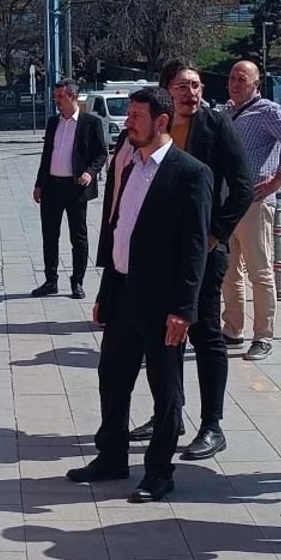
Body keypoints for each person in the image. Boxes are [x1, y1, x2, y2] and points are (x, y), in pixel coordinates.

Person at [65, 87, 213, 504]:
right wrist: (106, 290)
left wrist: (184, 308)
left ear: (161, 121)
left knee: (164, 388)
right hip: (124, 293)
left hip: (164, 302)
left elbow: (195, 248)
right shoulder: (131, 167)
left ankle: (159, 472)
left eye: (135, 115)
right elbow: (119, 233)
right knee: (112, 377)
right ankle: (111, 456)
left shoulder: (190, 173)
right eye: (128, 114)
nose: (128, 122)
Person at [124, 61, 253, 461]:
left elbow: (243, 187)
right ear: (167, 92)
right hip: (158, 256)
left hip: (204, 253)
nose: (191, 93)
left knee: (206, 334)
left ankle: (212, 424)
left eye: (196, 86)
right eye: (182, 86)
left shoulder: (216, 126)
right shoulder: (152, 131)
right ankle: (169, 415)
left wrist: (216, 233)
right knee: (163, 337)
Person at [221, 60, 281, 362]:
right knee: (229, 271)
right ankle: (232, 330)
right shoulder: (226, 111)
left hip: (255, 204)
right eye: (232, 77)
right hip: (226, 204)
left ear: (256, 83)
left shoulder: (268, 111)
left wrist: (279, 179)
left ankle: (263, 336)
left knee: (260, 273)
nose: (235, 82)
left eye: (242, 78)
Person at [32, 81, 109, 299]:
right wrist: (39, 184)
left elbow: (101, 154)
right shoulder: (52, 123)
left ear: (72, 97)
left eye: (60, 97)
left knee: (79, 237)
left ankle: (77, 282)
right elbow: (47, 156)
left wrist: (90, 172)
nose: (56, 101)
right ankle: (50, 281)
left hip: (76, 188)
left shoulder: (90, 123)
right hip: (52, 187)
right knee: (49, 236)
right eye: (55, 96)